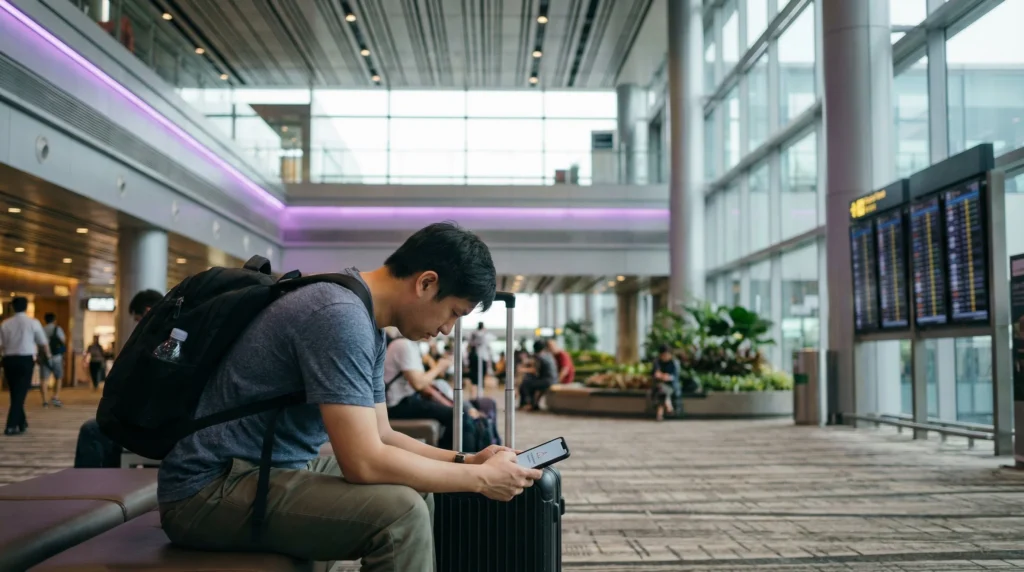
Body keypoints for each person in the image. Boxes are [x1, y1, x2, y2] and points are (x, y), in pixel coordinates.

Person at [157, 222, 542, 570]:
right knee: (400, 514)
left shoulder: (361, 315)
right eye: (453, 313)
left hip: (267, 468)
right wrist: (479, 481)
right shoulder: (339, 315)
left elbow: (383, 435)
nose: (446, 330)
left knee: (416, 492)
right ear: (426, 283)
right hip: (208, 489)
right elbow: (363, 462)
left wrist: (468, 461)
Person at [73, 289, 164, 468]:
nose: (138, 325)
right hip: (166, 422)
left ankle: (97, 489)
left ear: (146, 311)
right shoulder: (177, 334)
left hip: (158, 426)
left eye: (138, 320)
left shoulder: (158, 340)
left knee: (93, 431)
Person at [0, 297, 52, 435]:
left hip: (8, 360)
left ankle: (22, 422)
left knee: (15, 392)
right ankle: (11, 425)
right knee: (20, 392)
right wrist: (49, 356)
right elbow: (43, 342)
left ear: (12, 307)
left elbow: (0, 345)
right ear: (26, 307)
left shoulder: (5, 324)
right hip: (25, 360)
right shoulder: (33, 323)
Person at [518, 340, 557, 411]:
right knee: (529, 382)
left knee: (526, 384)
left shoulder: (539, 356)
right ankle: (533, 404)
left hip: (547, 381)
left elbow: (534, 370)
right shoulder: (548, 355)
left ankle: (528, 404)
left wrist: (523, 370)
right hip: (553, 380)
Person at [39, 312, 66, 407]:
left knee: (44, 379)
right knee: (58, 377)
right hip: (57, 357)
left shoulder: (41, 329)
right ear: (54, 320)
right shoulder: (57, 329)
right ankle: (55, 397)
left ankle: (45, 401)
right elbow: (63, 341)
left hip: (44, 357)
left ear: (44, 320)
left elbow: (38, 343)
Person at [650, 344, 681, 421]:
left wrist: (663, 376)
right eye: (663, 355)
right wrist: (664, 376)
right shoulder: (657, 362)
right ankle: (668, 406)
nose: (665, 357)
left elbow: (673, 377)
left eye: (666, 355)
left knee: (662, 391)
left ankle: (660, 413)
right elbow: (656, 374)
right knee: (661, 389)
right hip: (658, 385)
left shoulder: (674, 363)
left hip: (671, 386)